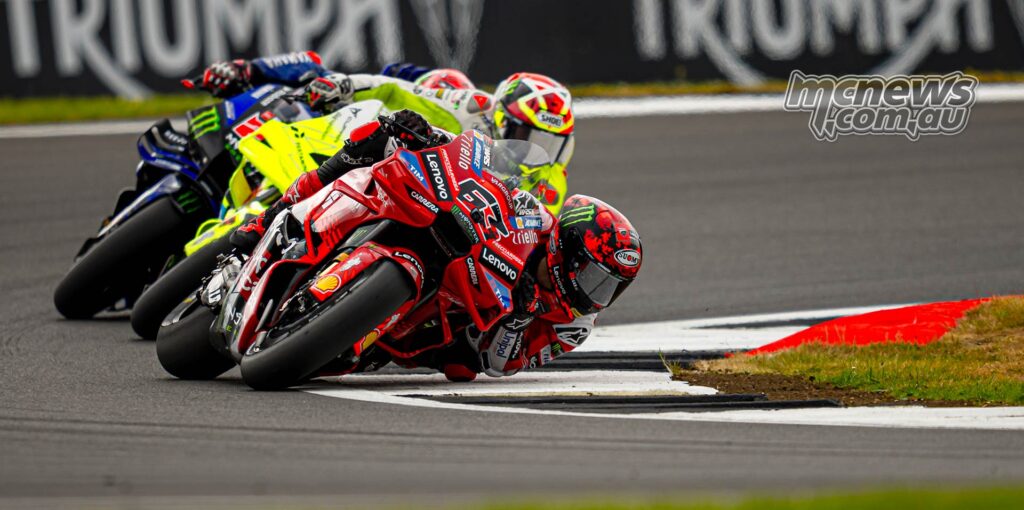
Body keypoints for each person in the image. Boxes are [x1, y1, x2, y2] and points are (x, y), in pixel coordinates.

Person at [228, 109, 642, 382]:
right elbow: (494, 183)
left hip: (451, 331)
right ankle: (268, 220)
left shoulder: (573, 325)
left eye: (609, 287)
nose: (596, 294)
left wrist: (518, 318)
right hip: (453, 248)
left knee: (459, 366)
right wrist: (431, 137)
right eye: (593, 276)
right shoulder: (537, 221)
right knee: (374, 143)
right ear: (566, 249)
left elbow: (500, 365)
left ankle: (341, 328)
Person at [198, 56, 574, 214]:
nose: (534, 148)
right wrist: (347, 85)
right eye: (526, 133)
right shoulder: (472, 107)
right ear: (501, 116)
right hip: (403, 178)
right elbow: (398, 90)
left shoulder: (551, 180)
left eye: (549, 142)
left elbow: (535, 236)